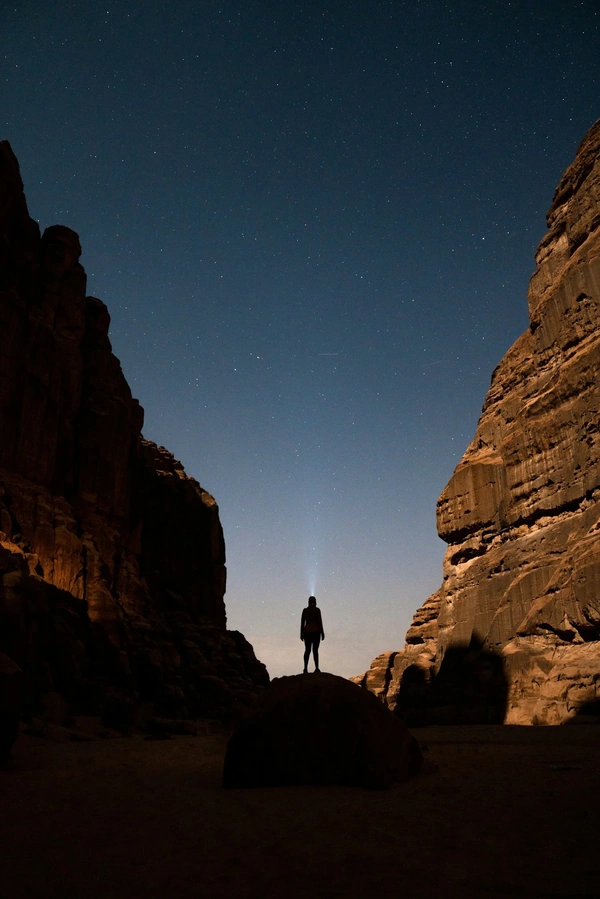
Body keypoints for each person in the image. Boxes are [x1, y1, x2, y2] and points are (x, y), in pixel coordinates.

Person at [301, 595, 325, 673]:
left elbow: (302, 623)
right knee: (315, 650)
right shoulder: (317, 610)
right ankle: (317, 668)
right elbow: (320, 622)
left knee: (307, 650)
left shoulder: (305, 610)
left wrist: (301, 633)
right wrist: (322, 632)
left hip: (307, 632)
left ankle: (305, 668)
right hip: (316, 632)